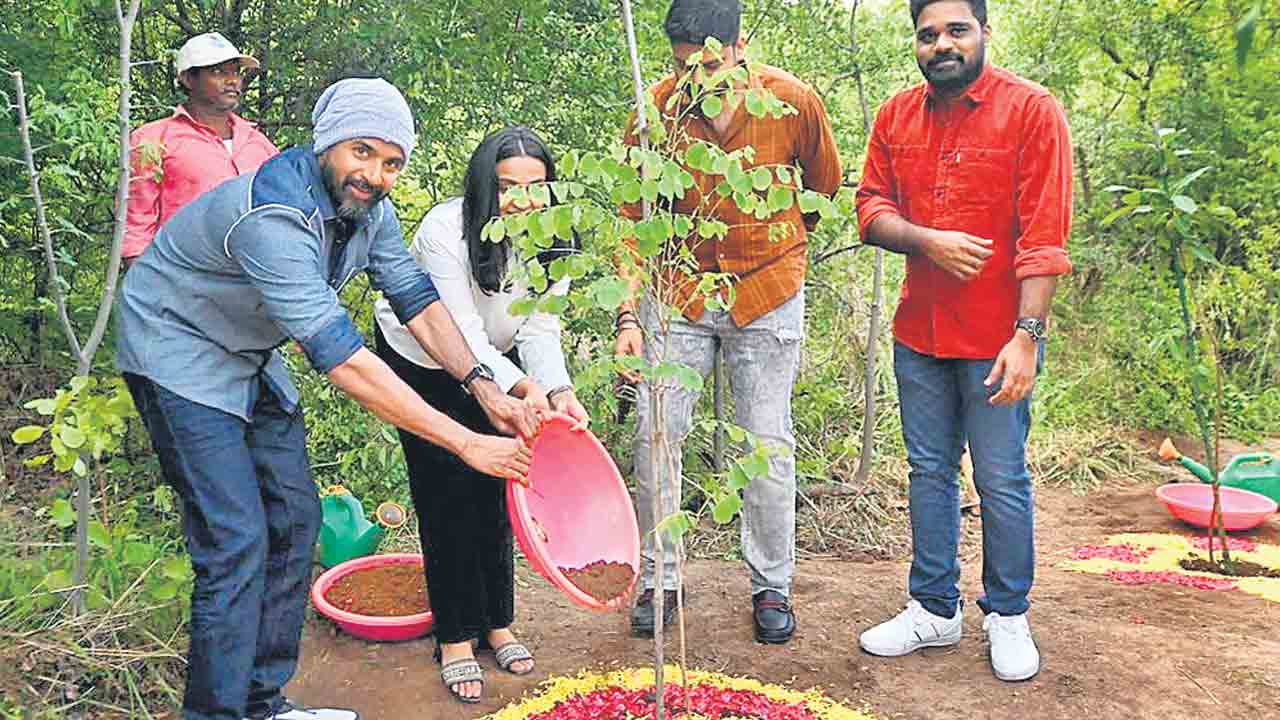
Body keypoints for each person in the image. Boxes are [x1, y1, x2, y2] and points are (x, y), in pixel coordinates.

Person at [116, 78, 539, 720]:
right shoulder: (275, 217)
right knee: (235, 540)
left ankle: (262, 702)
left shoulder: (371, 212)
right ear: (327, 144)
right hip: (176, 349)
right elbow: (342, 358)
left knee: (294, 521)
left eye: (392, 162)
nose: (374, 174)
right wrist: (464, 440)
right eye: (361, 152)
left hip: (248, 353)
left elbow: (416, 300)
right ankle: (215, 713)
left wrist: (484, 387)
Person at [854, 0, 1073, 682]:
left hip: (996, 341)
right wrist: (927, 241)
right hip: (918, 334)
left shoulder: (1032, 110)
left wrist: (1027, 337)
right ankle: (933, 610)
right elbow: (870, 208)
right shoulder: (895, 115)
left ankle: (1007, 615)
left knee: (1001, 477)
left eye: (956, 30)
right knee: (928, 473)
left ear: (983, 32)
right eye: (928, 34)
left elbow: (1043, 239)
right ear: (916, 44)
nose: (941, 44)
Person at [614, 0, 843, 644]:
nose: (696, 81)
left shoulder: (793, 102)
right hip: (680, 290)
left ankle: (772, 585)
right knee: (657, 432)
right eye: (684, 67)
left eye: (709, 65)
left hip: (767, 289)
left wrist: (778, 243)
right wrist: (629, 313)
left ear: (739, 45)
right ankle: (660, 579)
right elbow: (635, 221)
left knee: (766, 443)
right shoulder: (655, 107)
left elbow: (822, 190)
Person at [373, 126, 589, 704]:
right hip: (427, 356)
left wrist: (556, 388)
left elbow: (539, 325)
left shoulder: (554, 235)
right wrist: (520, 385)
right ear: (484, 188)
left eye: (535, 186)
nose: (521, 200)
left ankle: (497, 622)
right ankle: (455, 637)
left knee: (501, 482)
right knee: (447, 490)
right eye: (507, 187)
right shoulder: (446, 229)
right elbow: (459, 333)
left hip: (499, 356)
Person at [124, 32, 278, 262]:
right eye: (217, 72)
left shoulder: (259, 144)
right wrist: (150, 289)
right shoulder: (152, 140)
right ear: (188, 79)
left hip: (254, 284)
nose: (232, 80)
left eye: (235, 71)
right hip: (183, 283)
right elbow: (135, 229)